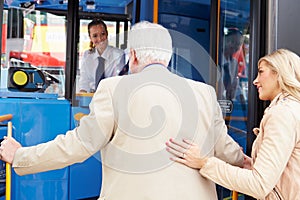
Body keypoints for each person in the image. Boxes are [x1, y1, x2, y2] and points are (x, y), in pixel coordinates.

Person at [0, 21, 245, 200]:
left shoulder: (113, 89)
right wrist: (249, 162)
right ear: (169, 58)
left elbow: (78, 146)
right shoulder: (204, 93)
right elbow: (226, 150)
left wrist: (21, 156)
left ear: (134, 56)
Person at [166, 48, 300, 199]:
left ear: (279, 74)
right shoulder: (292, 109)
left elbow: (259, 185)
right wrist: (248, 163)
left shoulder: (282, 114)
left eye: (261, 72)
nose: (255, 80)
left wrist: (203, 162)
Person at [78, 19, 125, 93]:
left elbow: (118, 81)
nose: (99, 39)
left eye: (102, 34)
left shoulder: (118, 54)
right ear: (90, 38)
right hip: (91, 97)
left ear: (107, 34)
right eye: (95, 36)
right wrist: (83, 98)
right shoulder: (87, 55)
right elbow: (84, 81)